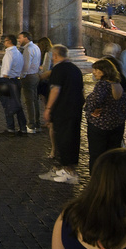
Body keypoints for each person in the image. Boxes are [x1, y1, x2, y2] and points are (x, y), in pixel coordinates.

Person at [40, 45, 85, 185]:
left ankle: (68, 171)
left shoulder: (58, 69)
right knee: (71, 138)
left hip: (63, 109)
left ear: (54, 56)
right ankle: (65, 168)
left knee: (63, 138)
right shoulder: (75, 69)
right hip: (74, 109)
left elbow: (55, 90)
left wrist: (48, 108)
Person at [83, 57, 126, 168]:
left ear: (104, 71)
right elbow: (124, 107)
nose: (94, 72)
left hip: (100, 126)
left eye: (96, 70)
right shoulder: (118, 84)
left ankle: (96, 181)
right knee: (112, 156)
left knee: (97, 156)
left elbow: (94, 101)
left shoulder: (102, 85)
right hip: (116, 125)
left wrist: (90, 110)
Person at [0, 34, 29, 136]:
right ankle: (23, 128)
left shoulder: (9, 54)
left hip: (8, 81)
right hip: (17, 81)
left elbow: (6, 70)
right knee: (17, 105)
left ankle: (10, 128)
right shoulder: (18, 53)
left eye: (5, 41)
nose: (4, 43)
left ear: (9, 41)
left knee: (8, 105)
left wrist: (1, 83)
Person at [17, 31, 43, 132]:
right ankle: (37, 123)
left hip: (28, 76)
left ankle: (31, 125)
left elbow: (26, 65)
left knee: (29, 102)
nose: (19, 40)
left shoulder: (28, 49)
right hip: (35, 75)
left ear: (26, 38)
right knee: (35, 100)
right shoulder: (36, 47)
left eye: (20, 38)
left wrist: (21, 76)